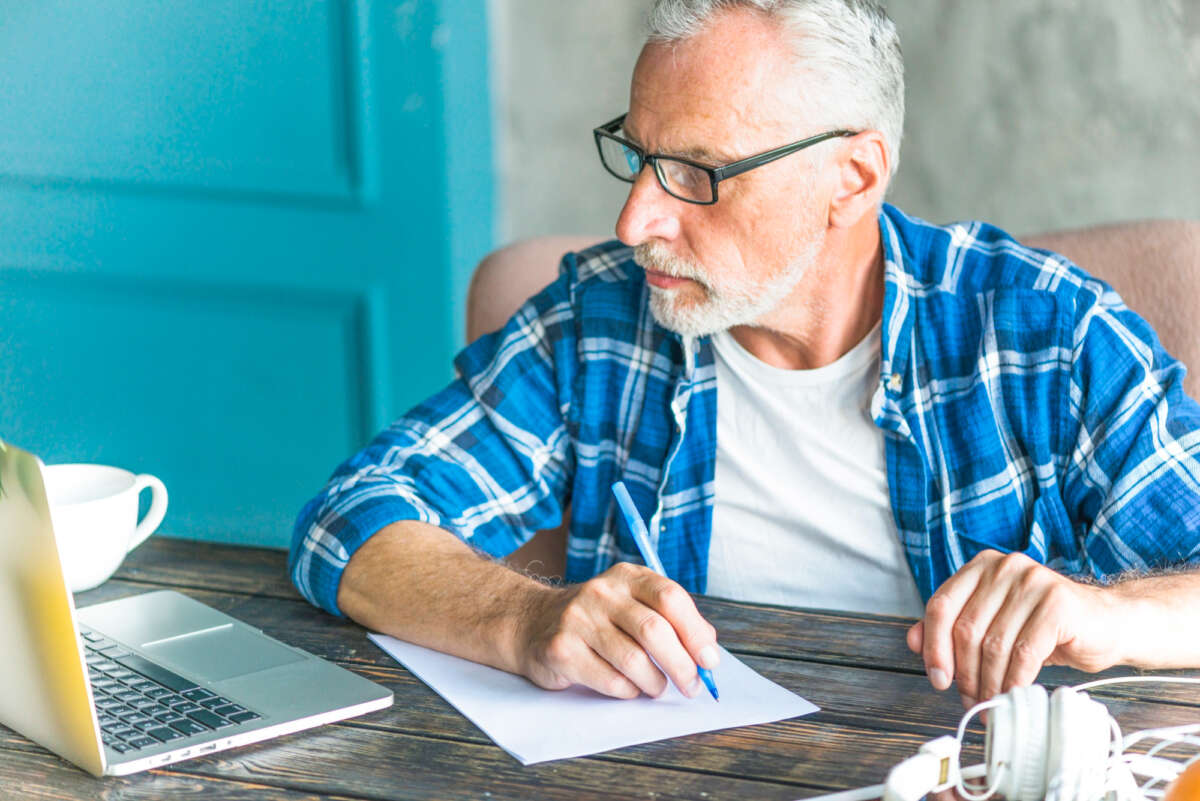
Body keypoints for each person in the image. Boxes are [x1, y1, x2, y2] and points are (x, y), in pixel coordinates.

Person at [289, 0, 1200, 710]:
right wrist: (525, 616)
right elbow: (351, 518)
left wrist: (1103, 613)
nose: (635, 220)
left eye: (697, 173)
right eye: (639, 156)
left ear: (851, 177)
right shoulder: (601, 319)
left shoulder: (1046, 332)